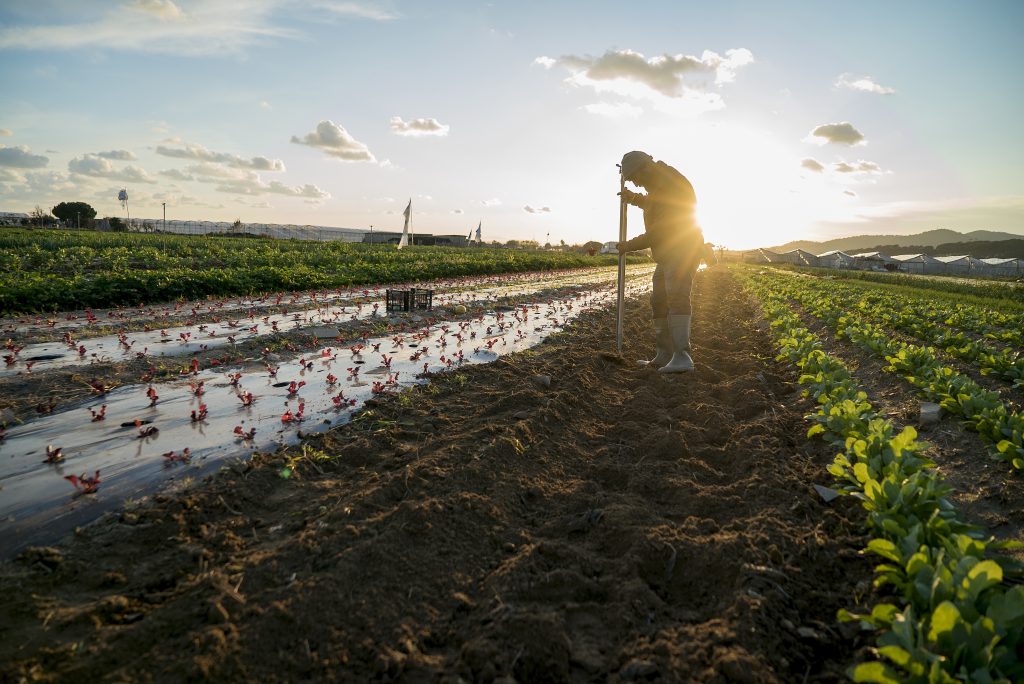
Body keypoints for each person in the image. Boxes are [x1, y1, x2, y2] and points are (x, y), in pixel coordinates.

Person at [616, 150, 705, 373]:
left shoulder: (670, 183)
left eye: (635, 178)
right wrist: (635, 199)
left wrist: (628, 245)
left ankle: (682, 356)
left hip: (682, 248)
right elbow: (654, 203)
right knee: (659, 299)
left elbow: (660, 232)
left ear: (644, 169)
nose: (636, 183)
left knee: (676, 295)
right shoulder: (658, 182)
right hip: (669, 252)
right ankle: (664, 354)